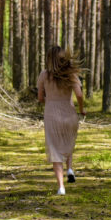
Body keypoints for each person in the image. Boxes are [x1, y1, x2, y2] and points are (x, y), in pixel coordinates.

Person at [37, 46, 85, 196]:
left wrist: (51, 102)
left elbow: (39, 98)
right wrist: (82, 109)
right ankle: (70, 168)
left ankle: (61, 188)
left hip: (52, 114)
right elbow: (79, 95)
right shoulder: (71, 75)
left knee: (55, 150)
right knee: (68, 141)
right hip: (69, 113)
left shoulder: (44, 75)